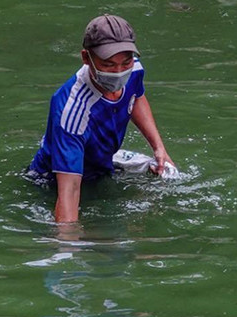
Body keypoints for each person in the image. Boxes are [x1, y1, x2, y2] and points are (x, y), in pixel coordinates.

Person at [28, 14, 175, 223]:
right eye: (108, 65)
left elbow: (137, 97)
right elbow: (69, 192)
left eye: (125, 63)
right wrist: (68, 247)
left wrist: (159, 147)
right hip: (55, 180)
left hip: (102, 164)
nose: (119, 72)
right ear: (86, 58)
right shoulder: (71, 110)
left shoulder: (134, 69)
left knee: (170, 175)